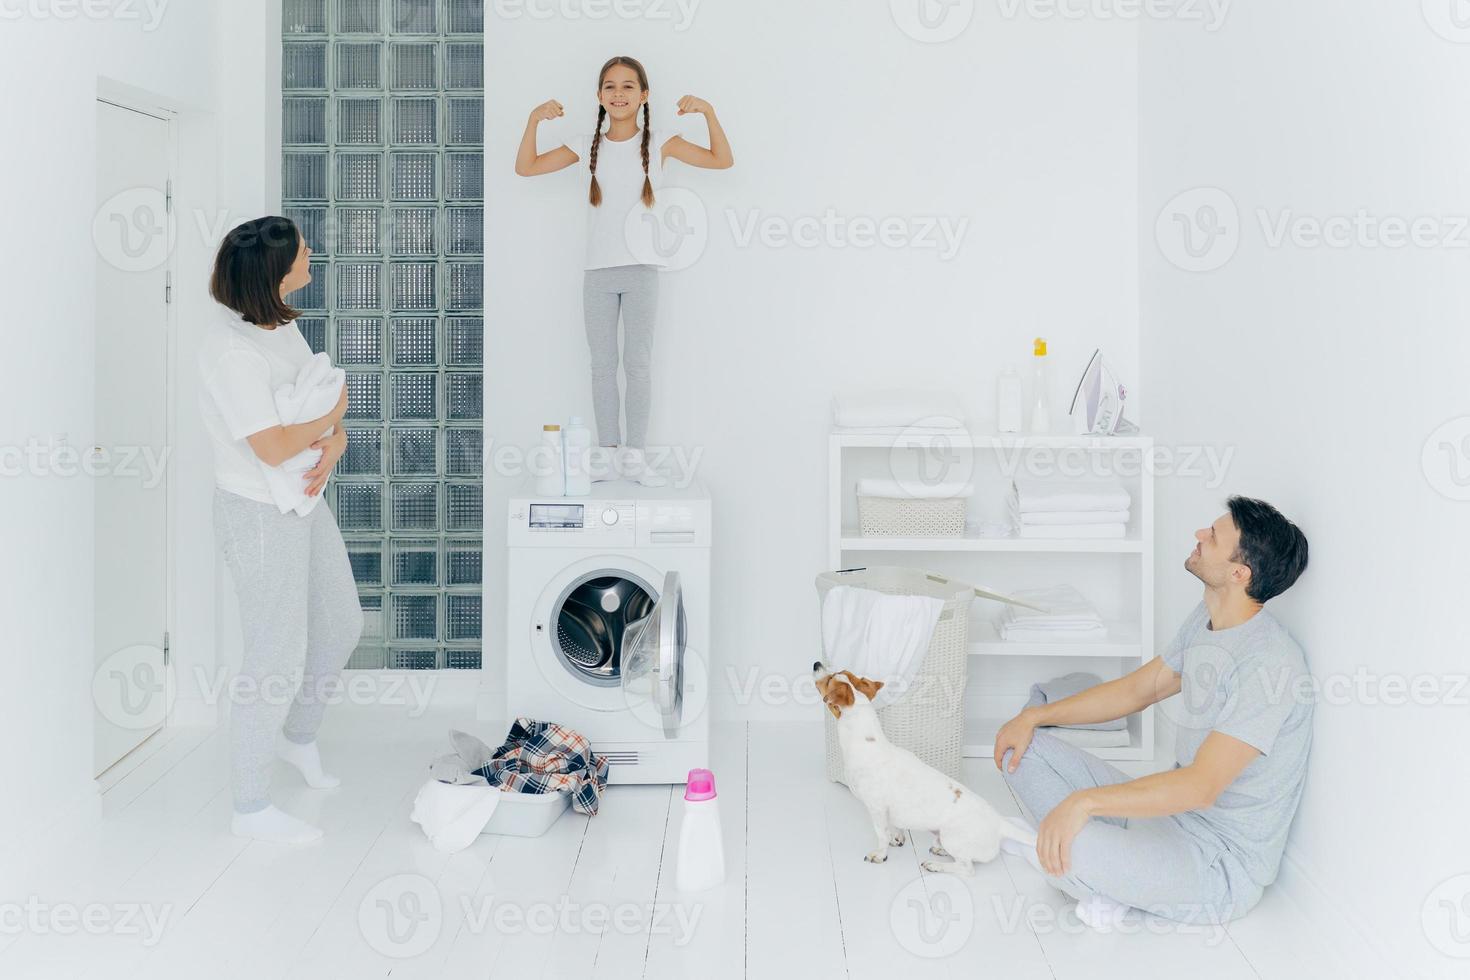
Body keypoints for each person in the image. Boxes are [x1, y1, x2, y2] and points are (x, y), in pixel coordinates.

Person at [993, 496, 1311, 928]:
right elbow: (1137, 690)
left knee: (1075, 846)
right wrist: (1032, 718)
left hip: (1215, 864)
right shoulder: (1209, 617)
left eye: (1213, 536)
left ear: (1239, 574)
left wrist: (1083, 802)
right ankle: (1093, 868)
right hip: (1169, 817)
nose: (1200, 535)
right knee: (1022, 749)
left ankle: (1085, 866)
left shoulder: (1269, 663)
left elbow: (1201, 787)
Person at [199, 216, 363, 844]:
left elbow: (308, 413)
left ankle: (297, 738)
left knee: (342, 621)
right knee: (273, 653)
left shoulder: (281, 325)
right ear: (275, 272)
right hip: (257, 511)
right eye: (300, 251)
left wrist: (336, 437)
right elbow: (270, 446)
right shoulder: (229, 352)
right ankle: (250, 807)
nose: (309, 253)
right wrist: (337, 411)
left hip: (301, 499)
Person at [514, 55, 734, 482]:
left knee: (638, 364)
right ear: (599, 96)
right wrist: (532, 120)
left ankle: (634, 457)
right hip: (597, 272)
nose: (619, 93)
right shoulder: (584, 145)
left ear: (644, 95)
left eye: (628, 86)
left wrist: (708, 111)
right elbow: (525, 167)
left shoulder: (661, 143)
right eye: (610, 86)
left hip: (642, 271)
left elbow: (722, 160)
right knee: (601, 365)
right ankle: (606, 454)